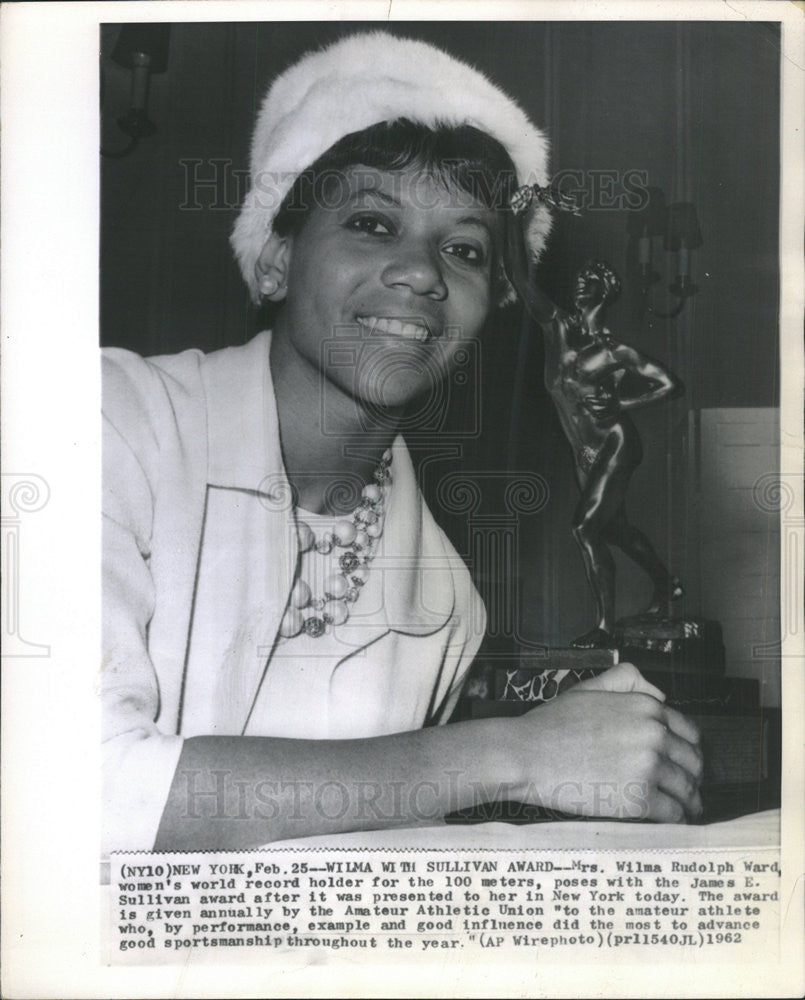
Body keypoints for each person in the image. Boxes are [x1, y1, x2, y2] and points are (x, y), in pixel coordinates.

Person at [102, 31, 703, 855]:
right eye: (371, 223)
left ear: (487, 307)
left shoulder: (447, 602)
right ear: (275, 260)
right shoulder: (106, 421)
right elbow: (67, 788)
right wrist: (514, 752)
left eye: (462, 249)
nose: (421, 273)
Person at [533, 260, 684, 649]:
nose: (581, 282)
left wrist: (622, 401)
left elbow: (670, 384)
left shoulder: (612, 349)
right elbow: (519, 276)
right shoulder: (558, 327)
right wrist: (519, 214)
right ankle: (667, 584)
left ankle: (604, 627)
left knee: (585, 528)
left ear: (607, 290)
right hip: (581, 451)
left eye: (591, 279)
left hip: (616, 443)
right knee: (615, 530)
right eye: (579, 277)